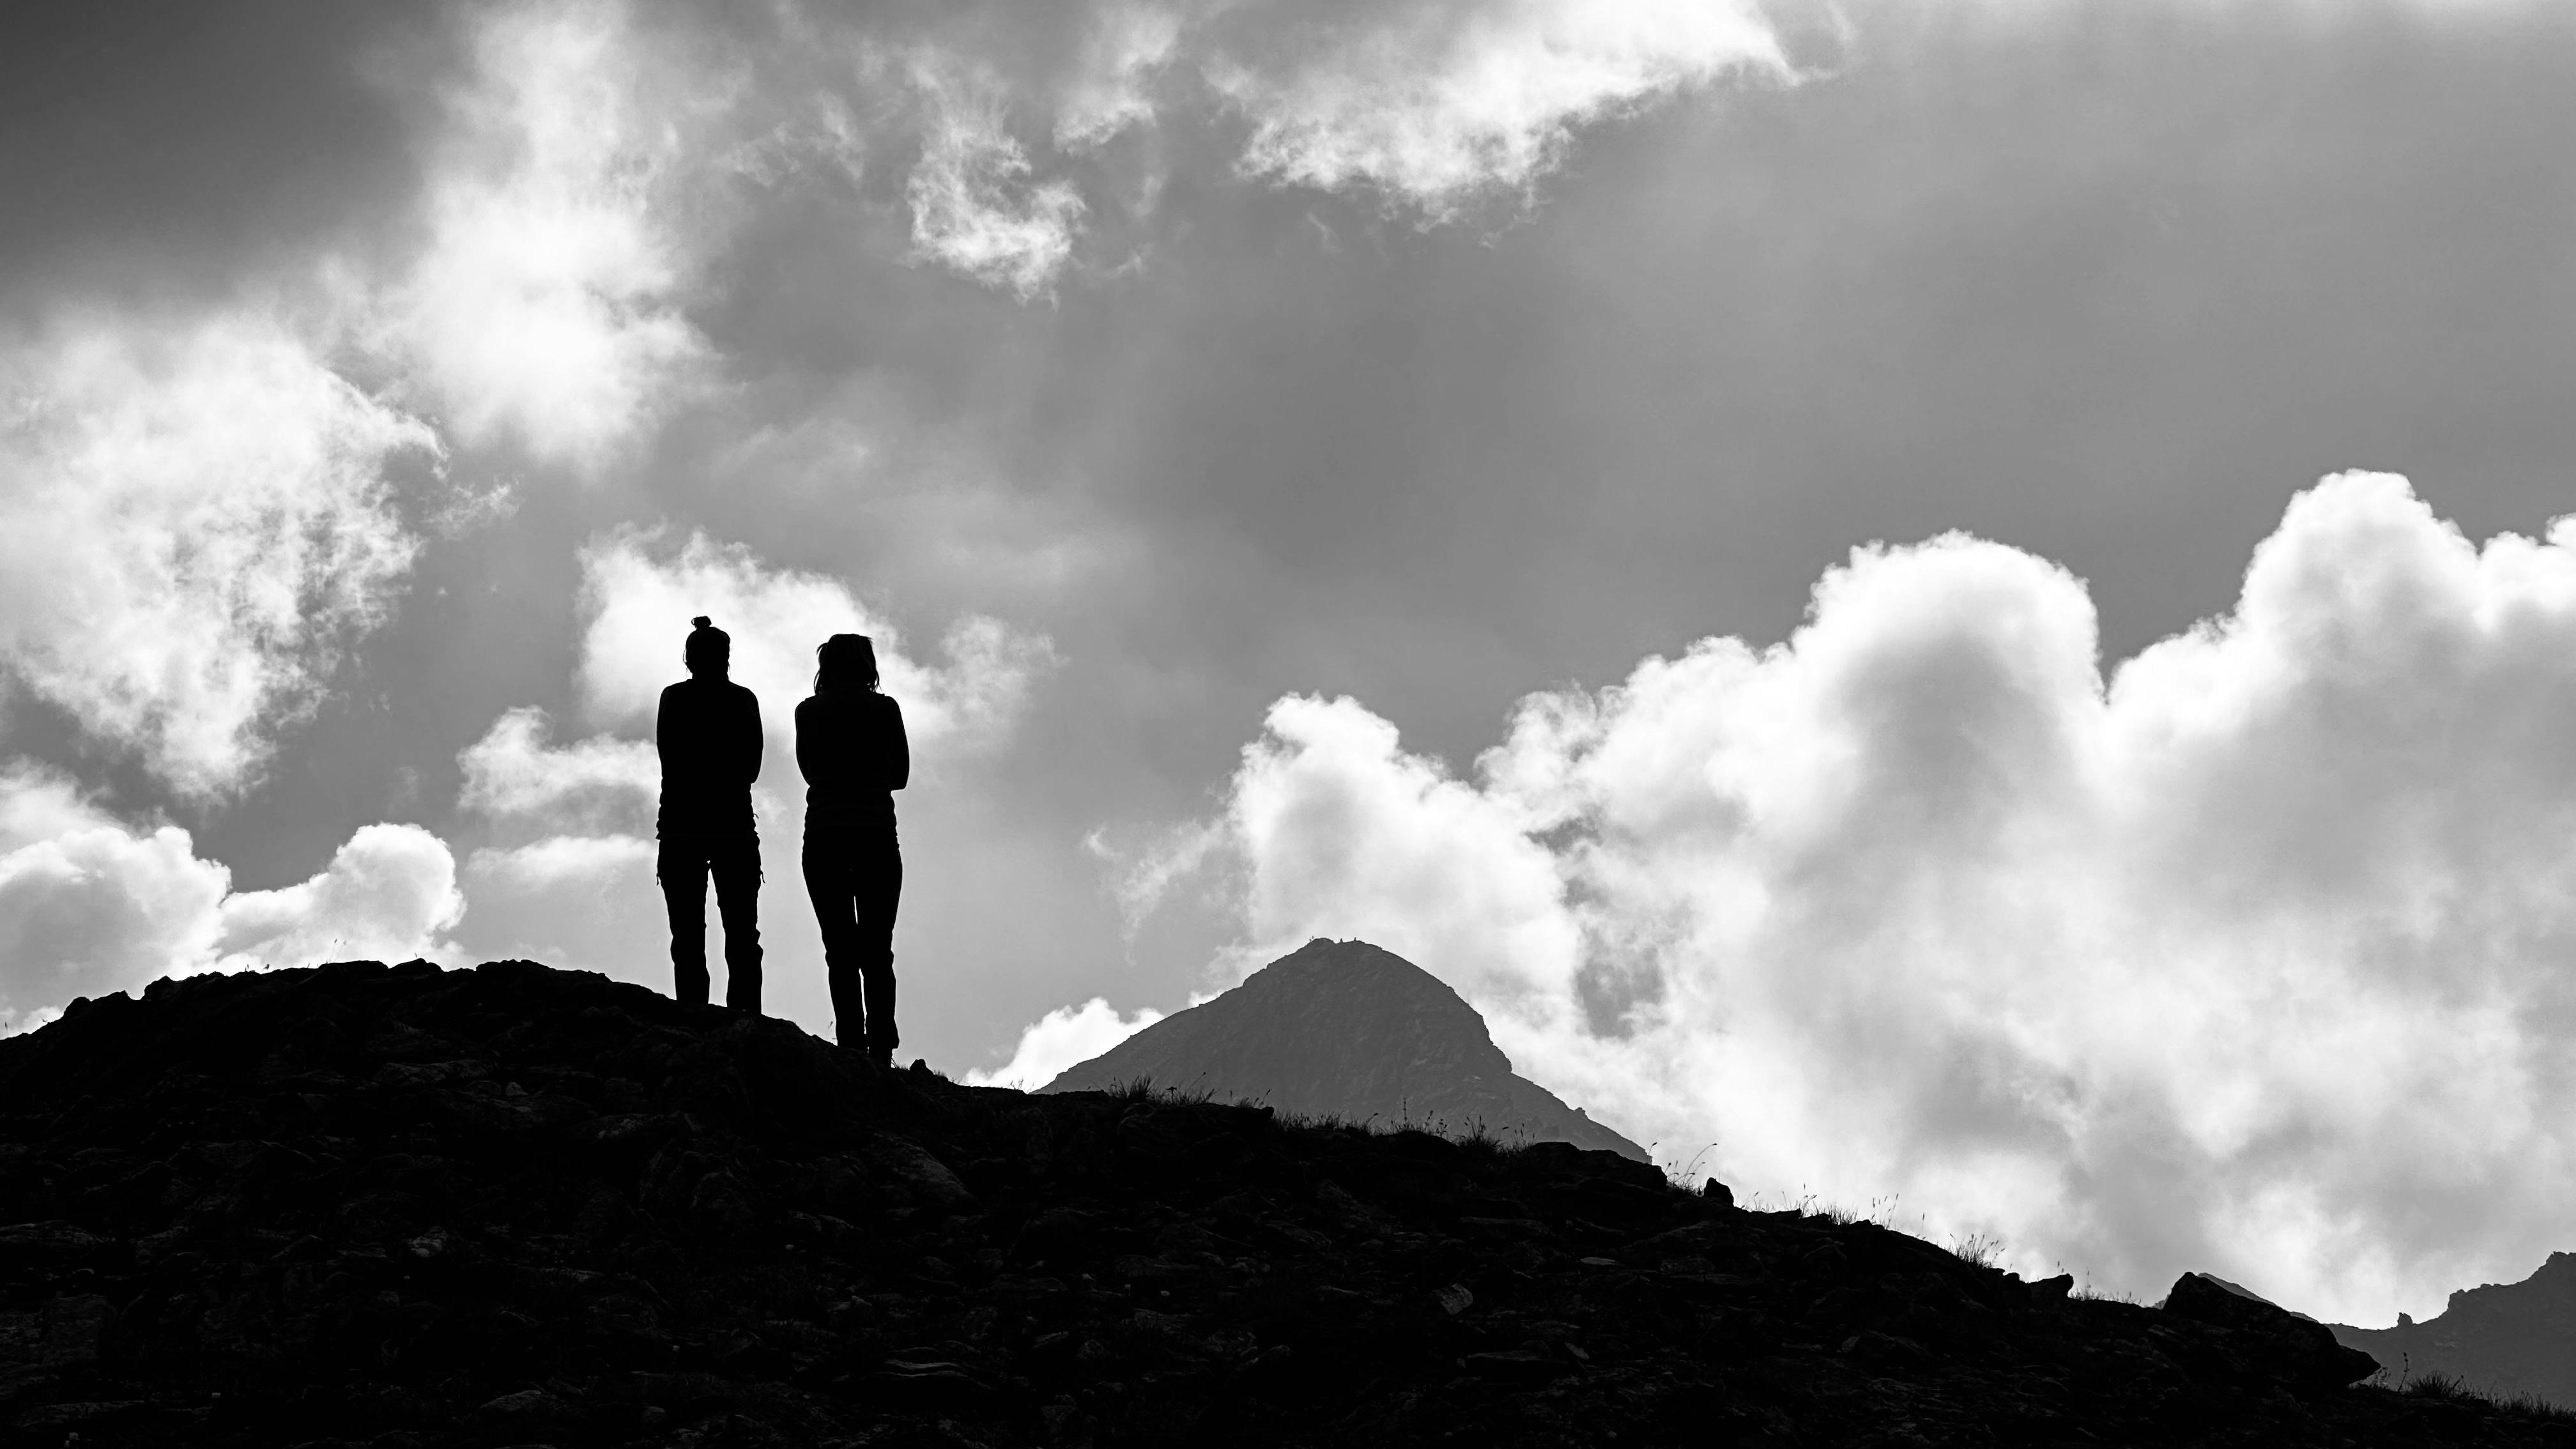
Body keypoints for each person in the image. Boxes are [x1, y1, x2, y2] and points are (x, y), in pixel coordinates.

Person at [795, 633, 909, 1065]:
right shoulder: (885, 709)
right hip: (876, 835)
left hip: (824, 834)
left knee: (839, 950)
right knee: (877, 949)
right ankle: (881, 1046)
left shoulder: (808, 712)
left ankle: (849, 1045)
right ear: (867, 665)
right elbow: (900, 775)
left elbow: (809, 771)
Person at [656, 616, 764, 1011]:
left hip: (680, 828)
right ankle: (745, 1019)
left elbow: (670, 759)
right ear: (727, 657)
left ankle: (692, 1017)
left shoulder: (673, 698)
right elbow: (751, 769)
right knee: (742, 935)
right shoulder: (742, 700)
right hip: (733, 827)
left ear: (689, 659)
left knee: (686, 934)